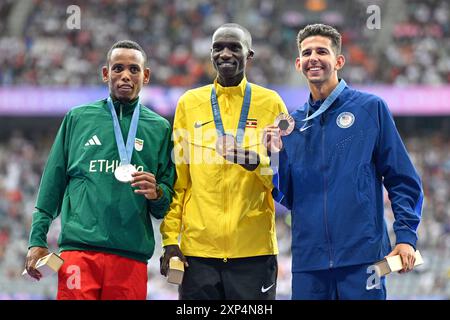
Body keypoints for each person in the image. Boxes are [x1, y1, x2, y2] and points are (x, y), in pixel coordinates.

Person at [263, 24, 423, 300]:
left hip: (363, 260)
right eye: (307, 52)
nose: (314, 57)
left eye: (322, 51)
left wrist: (406, 236)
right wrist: (274, 157)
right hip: (308, 262)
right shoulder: (292, 124)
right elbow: (289, 196)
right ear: (298, 63)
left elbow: (402, 178)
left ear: (338, 61)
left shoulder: (370, 108)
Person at [24, 40, 175, 300]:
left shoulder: (159, 128)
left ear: (145, 75)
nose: (125, 75)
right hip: (78, 254)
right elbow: (52, 184)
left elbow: (164, 207)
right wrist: (37, 239)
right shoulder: (78, 118)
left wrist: (157, 193)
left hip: (130, 258)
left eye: (134, 69)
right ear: (106, 73)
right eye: (118, 68)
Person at [159, 23, 288, 300]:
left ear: (249, 55)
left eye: (234, 47)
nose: (225, 54)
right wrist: (170, 240)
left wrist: (254, 162)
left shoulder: (271, 103)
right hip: (198, 254)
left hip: (254, 253)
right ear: (210, 54)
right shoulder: (189, 103)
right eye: (218, 48)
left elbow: (282, 179)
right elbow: (179, 180)